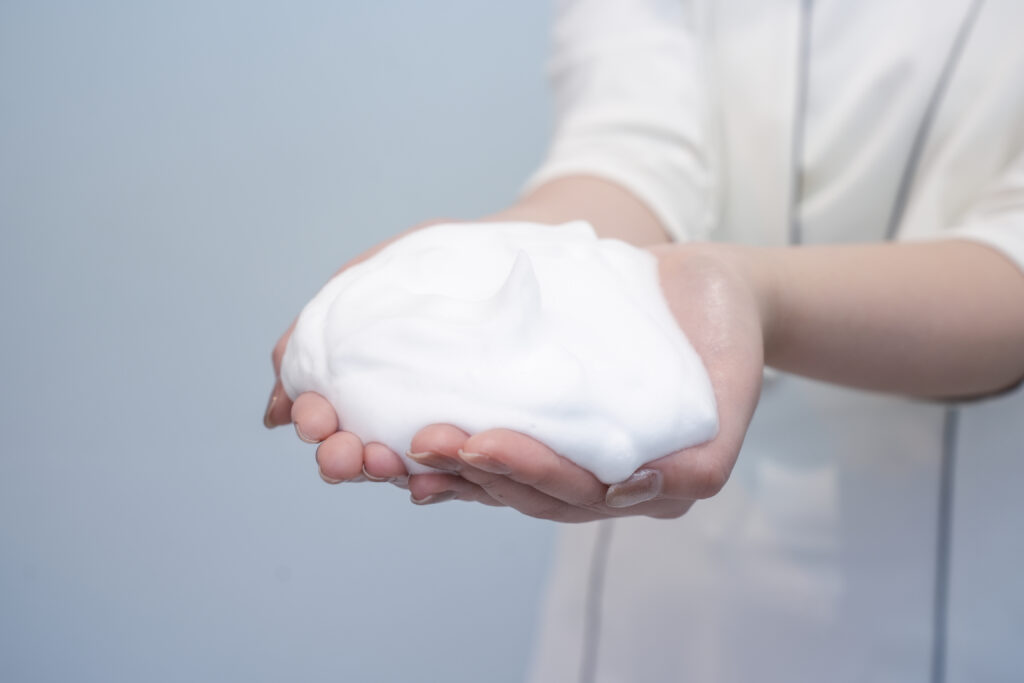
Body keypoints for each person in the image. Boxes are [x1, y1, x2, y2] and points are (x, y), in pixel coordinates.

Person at [264, 1, 1024, 680]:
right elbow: (629, 144)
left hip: (924, 585)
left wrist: (760, 298)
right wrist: (516, 248)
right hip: (632, 593)